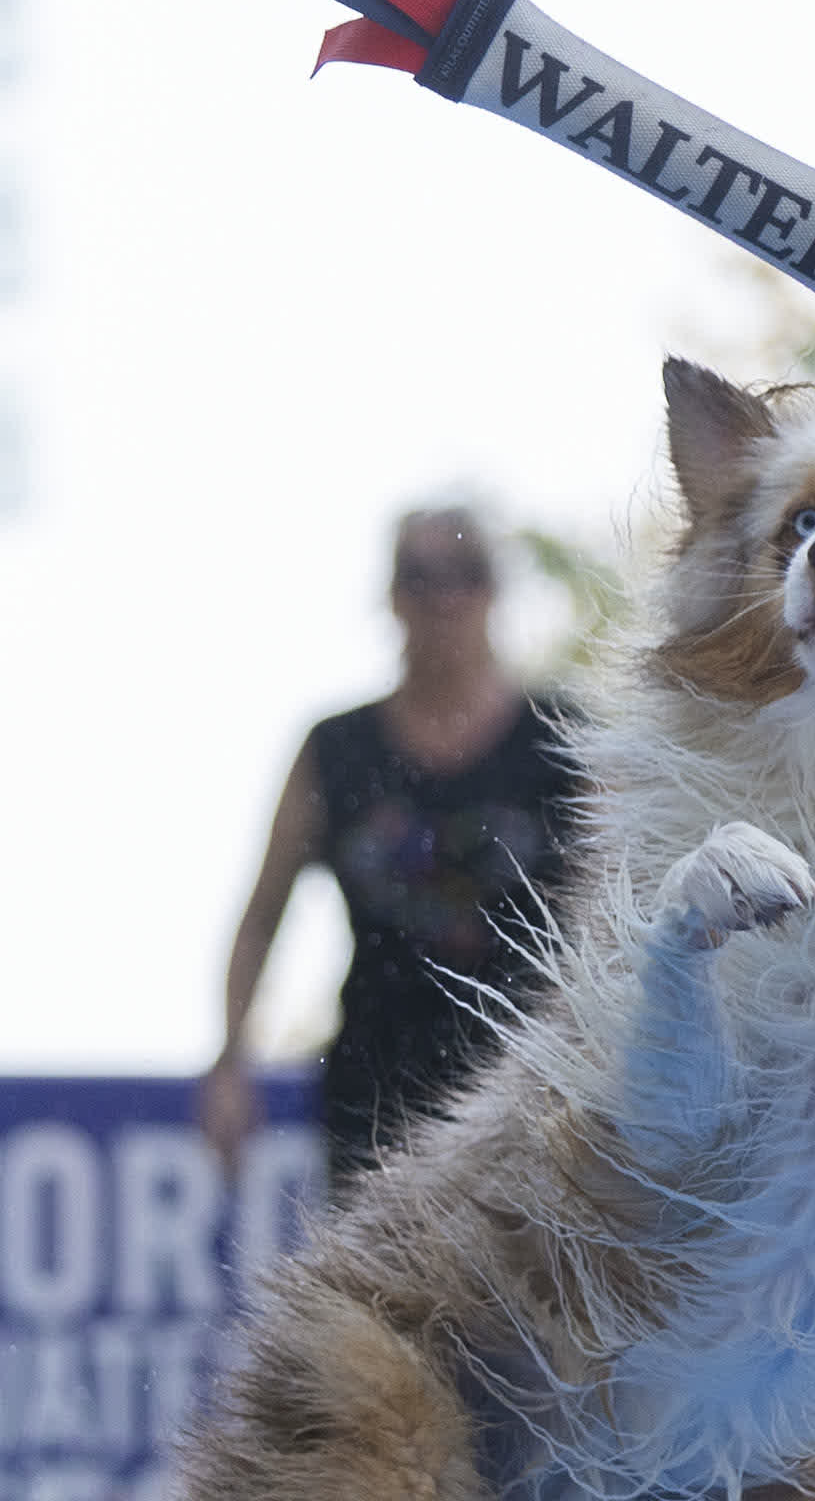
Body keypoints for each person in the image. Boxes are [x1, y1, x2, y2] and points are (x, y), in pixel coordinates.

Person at [200, 507, 579, 1185]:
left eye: (463, 574)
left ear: (492, 592)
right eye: (420, 577)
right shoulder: (337, 749)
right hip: (374, 1098)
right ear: (393, 596)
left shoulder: (560, 741)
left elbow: (623, 914)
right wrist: (231, 1063)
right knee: (372, 1292)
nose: (442, 600)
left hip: (526, 1094)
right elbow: (261, 917)